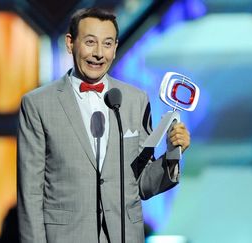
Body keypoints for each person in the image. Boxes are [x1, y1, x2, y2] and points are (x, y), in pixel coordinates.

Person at [17, 8, 190, 243]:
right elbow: (30, 193)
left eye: (107, 44)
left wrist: (172, 153)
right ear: (70, 43)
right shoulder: (38, 104)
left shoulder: (134, 100)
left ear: (116, 47)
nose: (99, 53)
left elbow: (141, 183)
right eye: (90, 42)